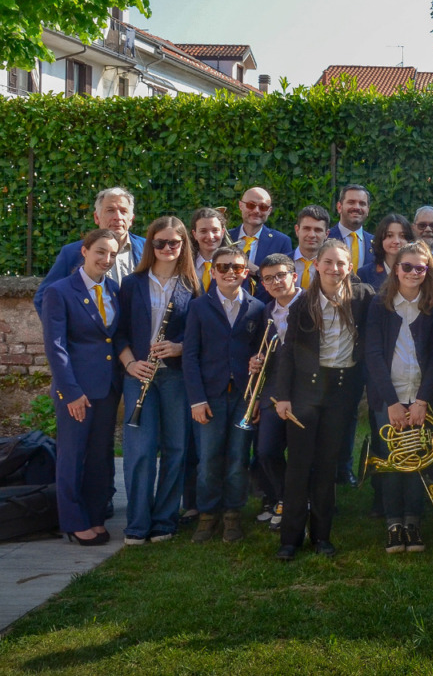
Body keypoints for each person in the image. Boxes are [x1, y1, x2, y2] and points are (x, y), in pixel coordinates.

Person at [274, 239, 377, 560]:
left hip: (341, 391)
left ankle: (321, 536)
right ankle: (289, 539)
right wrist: (283, 397)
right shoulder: (303, 303)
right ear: (316, 265)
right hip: (306, 391)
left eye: (341, 264)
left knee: (327, 465)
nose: (335, 269)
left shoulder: (362, 298)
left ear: (350, 268)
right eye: (328, 262)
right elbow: (288, 352)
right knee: (299, 466)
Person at [115, 216, 199, 545]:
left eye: (173, 243)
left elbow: (200, 334)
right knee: (140, 450)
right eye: (159, 243)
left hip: (176, 376)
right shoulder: (132, 284)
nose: (166, 248)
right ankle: (137, 524)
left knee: (176, 448)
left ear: (182, 246)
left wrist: (179, 347)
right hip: (139, 374)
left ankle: (165, 520)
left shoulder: (192, 285)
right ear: (150, 245)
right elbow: (117, 332)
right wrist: (130, 364)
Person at [41, 229, 122, 545]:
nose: (106, 259)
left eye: (113, 254)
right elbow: (56, 346)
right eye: (100, 251)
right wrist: (70, 392)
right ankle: (73, 522)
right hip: (76, 390)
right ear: (84, 251)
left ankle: (95, 515)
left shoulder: (114, 289)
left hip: (106, 388)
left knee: (101, 456)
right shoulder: (59, 292)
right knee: (72, 456)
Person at [183, 245, 267, 544]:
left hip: (244, 397)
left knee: (237, 458)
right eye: (223, 267)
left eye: (236, 267)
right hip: (210, 396)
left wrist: (256, 397)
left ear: (245, 273)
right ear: (212, 271)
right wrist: (196, 399)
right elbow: (190, 356)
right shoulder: (198, 307)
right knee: (208, 458)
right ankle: (208, 515)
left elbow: (262, 356)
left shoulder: (257, 308)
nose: (230, 272)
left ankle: (232, 514)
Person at [365, 242, 433, 554]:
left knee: (418, 459)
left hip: (420, 396)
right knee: (392, 460)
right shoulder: (380, 306)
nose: (412, 272)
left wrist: (422, 400)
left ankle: (413, 520)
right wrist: (392, 402)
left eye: (420, 268)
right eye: (406, 266)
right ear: (396, 269)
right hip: (390, 397)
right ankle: (394, 522)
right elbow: (373, 354)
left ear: (427, 272)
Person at [34, 187, 144, 314]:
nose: (117, 217)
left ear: (131, 219)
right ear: (96, 217)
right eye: (110, 210)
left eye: (123, 211)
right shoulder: (72, 253)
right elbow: (44, 297)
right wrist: (62, 330)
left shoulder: (149, 249)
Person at [252, 252, 300, 531]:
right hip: (272, 392)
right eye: (268, 278)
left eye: (281, 275)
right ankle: (282, 497)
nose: (275, 282)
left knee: (299, 452)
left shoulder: (310, 304)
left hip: (303, 391)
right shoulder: (265, 311)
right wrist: (256, 360)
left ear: (294, 276)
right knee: (267, 450)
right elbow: (263, 351)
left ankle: (294, 501)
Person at [229, 186, 293, 283]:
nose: (256, 211)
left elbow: (284, 281)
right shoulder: (225, 237)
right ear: (240, 205)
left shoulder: (281, 242)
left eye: (263, 207)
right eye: (251, 205)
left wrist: (257, 271)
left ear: (269, 211)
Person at [357, 213, 412, 291]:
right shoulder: (364, 274)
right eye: (389, 235)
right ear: (380, 239)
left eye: (402, 236)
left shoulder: (416, 271)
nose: (396, 241)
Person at [329, 184, 374, 269]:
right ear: (339, 207)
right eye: (351, 202)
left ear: (368, 210)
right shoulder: (325, 238)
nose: (357, 207)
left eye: (362, 203)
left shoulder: (376, 243)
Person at [292, 205, 329, 293]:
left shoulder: (333, 268)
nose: (312, 235)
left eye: (318, 230)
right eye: (306, 229)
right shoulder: (282, 263)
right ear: (297, 230)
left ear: (326, 234)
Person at [190, 207, 228, 293]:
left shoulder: (232, 265)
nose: (210, 237)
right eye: (203, 231)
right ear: (194, 234)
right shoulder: (186, 264)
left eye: (215, 230)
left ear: (222, 232)